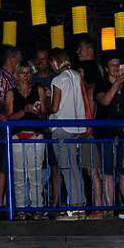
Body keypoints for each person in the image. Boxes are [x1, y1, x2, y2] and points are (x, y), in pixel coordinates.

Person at [95, 58, 124, 218]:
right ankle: (109, 207)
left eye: (118, 65)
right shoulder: (102, 84)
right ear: (106, 68)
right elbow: (104, 101)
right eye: (112, 65)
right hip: (106, 133)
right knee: (108, 171)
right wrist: (116, 84)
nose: (115, 68)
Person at [49, 49, 89, 218]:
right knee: (74, 167)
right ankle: (80, 204)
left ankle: (73, 206)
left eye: (52, 62)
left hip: (61, 127)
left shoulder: (58, 79)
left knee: (65, 167)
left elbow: (55, 107)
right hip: (75, 127)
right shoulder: (76, 76)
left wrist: (46, 101)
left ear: (57, 62)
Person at [5, 62, 46, 214]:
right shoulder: (11, 93)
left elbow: (44, 114)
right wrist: (24, 110)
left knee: (36, 174)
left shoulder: (38, 89)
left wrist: (37, 112)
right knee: (19, 175)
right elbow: (9, 118)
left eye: (28, 73)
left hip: (36, 135)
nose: (26, 76)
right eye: (22, 73)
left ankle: (37, 208)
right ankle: (21, 209)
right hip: (18, 136)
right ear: (16, 75)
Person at [0, 48, 24, 209]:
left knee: (9, 164)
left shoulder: (10, 78)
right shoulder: (1, 78)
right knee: (3, 164)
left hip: (10, 125)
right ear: (12, 60)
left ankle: (7, 201)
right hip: (2, 126)